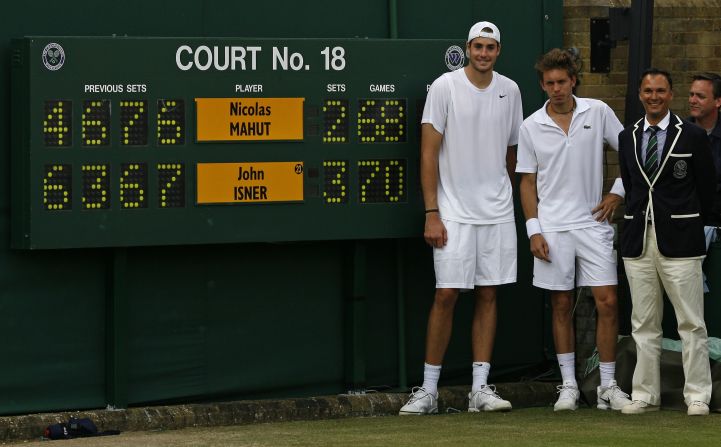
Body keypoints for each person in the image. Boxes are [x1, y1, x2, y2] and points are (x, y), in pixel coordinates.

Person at [398, 21, 522, 415]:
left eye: (491, 47)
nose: (484, 53)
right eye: (478, 46)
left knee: (488, 293)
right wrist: (432, 212)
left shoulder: (511, 90)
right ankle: (429, 390)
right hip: (452, 213)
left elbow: (512, 152)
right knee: (447, 294)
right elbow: (428, 153)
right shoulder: (445, 87)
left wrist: (504, 195)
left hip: (498, 212)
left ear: (498, 51)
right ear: (467, 48)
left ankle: (480, 390)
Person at [516, 48, 632, 412]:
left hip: (593, 224)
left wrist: (616, 194)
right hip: (552, 228)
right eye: (549, 83)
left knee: (608, 302)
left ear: (573, 81)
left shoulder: (597, 112)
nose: (556, 89)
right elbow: (526, 182)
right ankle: (568, 385)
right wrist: (534, 230)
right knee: (561, 303)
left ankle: (607, 387)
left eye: (561, 82)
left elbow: (632, 154)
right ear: (542, 85)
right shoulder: (531, 125)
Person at [618, 68, 716, 416]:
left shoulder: (690, 135)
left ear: (670, 93)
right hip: (638, 240)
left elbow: (706, 188)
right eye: (647, 91)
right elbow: (632, 186)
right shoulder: (627, 135)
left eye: (660, 90)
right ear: (640, 94)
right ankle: (645, 395)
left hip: (681, 240)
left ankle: (697, 395)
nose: (654, 96)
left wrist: (690, 223)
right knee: (643, 322)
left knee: (691, 322)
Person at [687, 72, 721, 292]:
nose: (692, 100)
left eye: (700, 96)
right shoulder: (679, 133)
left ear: (718, 101)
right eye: (691, 94)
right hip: (686, 229)